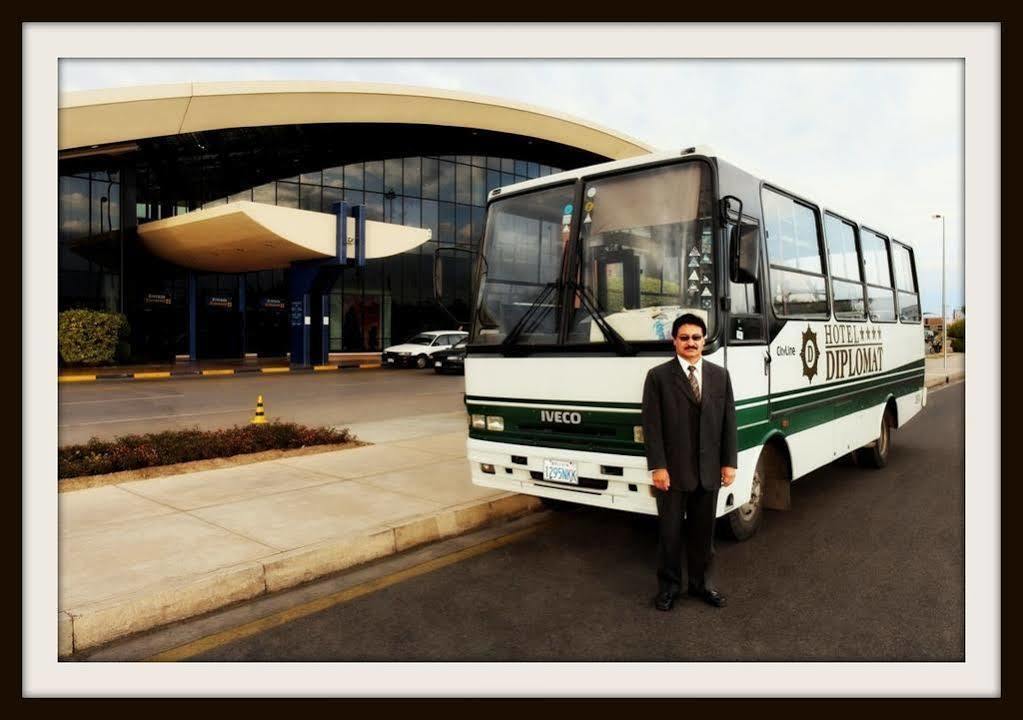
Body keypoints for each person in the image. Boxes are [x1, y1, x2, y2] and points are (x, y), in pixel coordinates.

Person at [641, 313, 737, 611]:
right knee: (670, 535)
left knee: (703, 535)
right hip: (672, 472)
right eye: (684, 338)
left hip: (709, 472)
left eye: (696, 337)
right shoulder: (658, 377)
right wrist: (658, 466)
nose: (691, 343)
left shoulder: (720, 375)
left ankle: (702, 586)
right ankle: (669, 588)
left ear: (704, 340)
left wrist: (728, 463)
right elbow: (652, 427)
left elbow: (728, 422)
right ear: (675, 341)